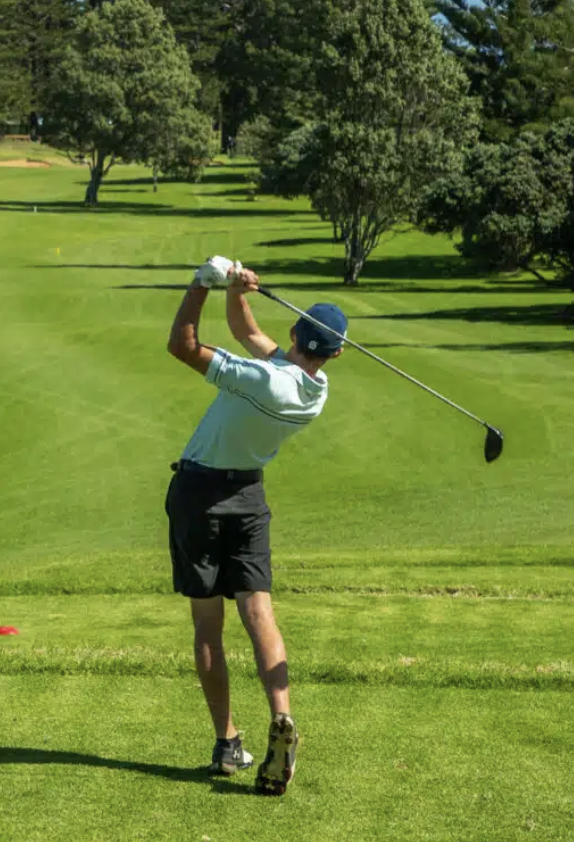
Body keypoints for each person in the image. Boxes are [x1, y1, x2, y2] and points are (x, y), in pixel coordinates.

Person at [163, 255, 345, 797]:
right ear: (334, 353)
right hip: (249, 496)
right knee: (258, 609)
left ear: (296, 333)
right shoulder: (314, 390)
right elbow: (248, 331)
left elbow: (183, 345)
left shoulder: (260, 379)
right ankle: (281, 716)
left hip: (199, 494)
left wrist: (201, 283)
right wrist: (238, 289)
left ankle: (226, 743)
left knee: (207, 625)